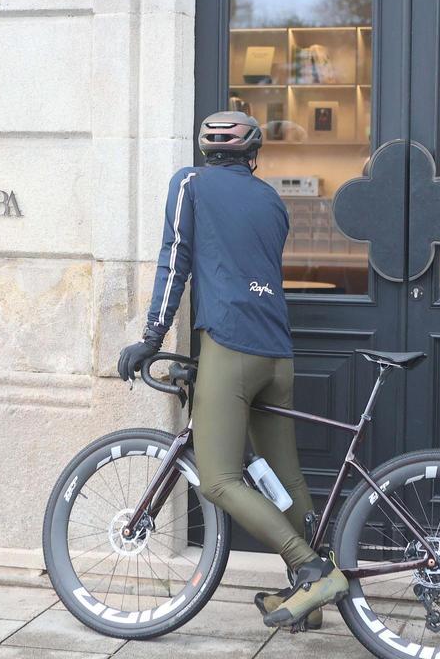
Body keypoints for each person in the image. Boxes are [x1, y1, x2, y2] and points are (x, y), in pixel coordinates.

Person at [116, 111, 348, 629]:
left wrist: (152, 337)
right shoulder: (270, 198)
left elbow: (174, 258)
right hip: (278, 354)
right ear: (253, 154)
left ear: (206, 151)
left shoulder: (189, 183)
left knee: (219, 479)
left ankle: (311, 570)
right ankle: (306, 602)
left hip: (230, 347)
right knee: (284, 477)